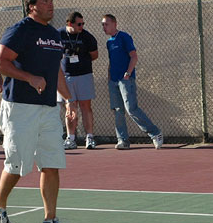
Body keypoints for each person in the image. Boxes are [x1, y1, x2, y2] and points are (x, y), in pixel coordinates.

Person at [0, 0, 72, 223]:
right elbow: (0, 63)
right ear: (32, 5)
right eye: (45, 0)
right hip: (20, 108)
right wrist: (29, 78)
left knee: (50, 165)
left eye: (52, 0)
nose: (51, 4)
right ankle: (0, 205)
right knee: (16, 165)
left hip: (48, 109)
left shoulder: (54, 35)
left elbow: (56, 70)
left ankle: (50, 220)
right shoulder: (19, 30)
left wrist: (69, 100)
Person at [102, 14, 163, 150]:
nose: (103, 27)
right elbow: (111, 62)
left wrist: (128, 73)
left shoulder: (124, 37)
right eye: (102, 24)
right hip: (113, 81)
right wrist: (109, 78)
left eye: (106, 24)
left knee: (131, 109)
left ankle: (155, 133)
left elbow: (134, 57)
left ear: (114, 24)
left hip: (126, 80)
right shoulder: (109, 42)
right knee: (118, 110)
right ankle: (123, 140)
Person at [59, 12, 99, 150]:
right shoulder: (59, 35)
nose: (82, 26)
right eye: (79, 24)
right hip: (66, 77)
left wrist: (82, 62)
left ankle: (90, 137)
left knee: (85, 106)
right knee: (70, 106)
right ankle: (71, 138)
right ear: (70, 24)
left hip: (84, 75)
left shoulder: (87, 37)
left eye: (83, 24)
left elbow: (94, 55)